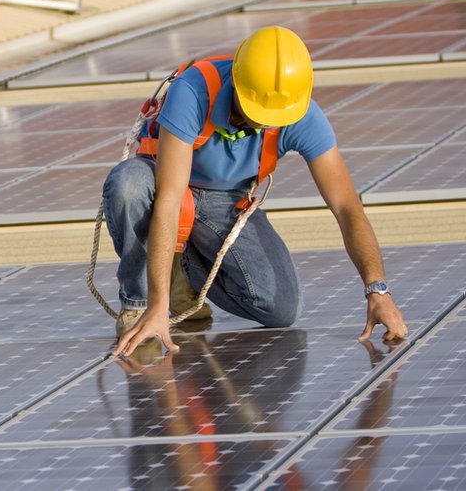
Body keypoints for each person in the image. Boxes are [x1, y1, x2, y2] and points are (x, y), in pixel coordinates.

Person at [102, 25, 408, 357]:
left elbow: (347, 207)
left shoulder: (299, 113)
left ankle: (184, 279)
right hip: (163, 184)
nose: (264, 125)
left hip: (227, 200)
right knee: (127, 184)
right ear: (237, 81)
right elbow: (169, 197)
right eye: (257, 114)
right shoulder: (192, 91)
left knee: (282, 309)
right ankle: (142, 303)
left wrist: (377, 290)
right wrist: (158, 306)